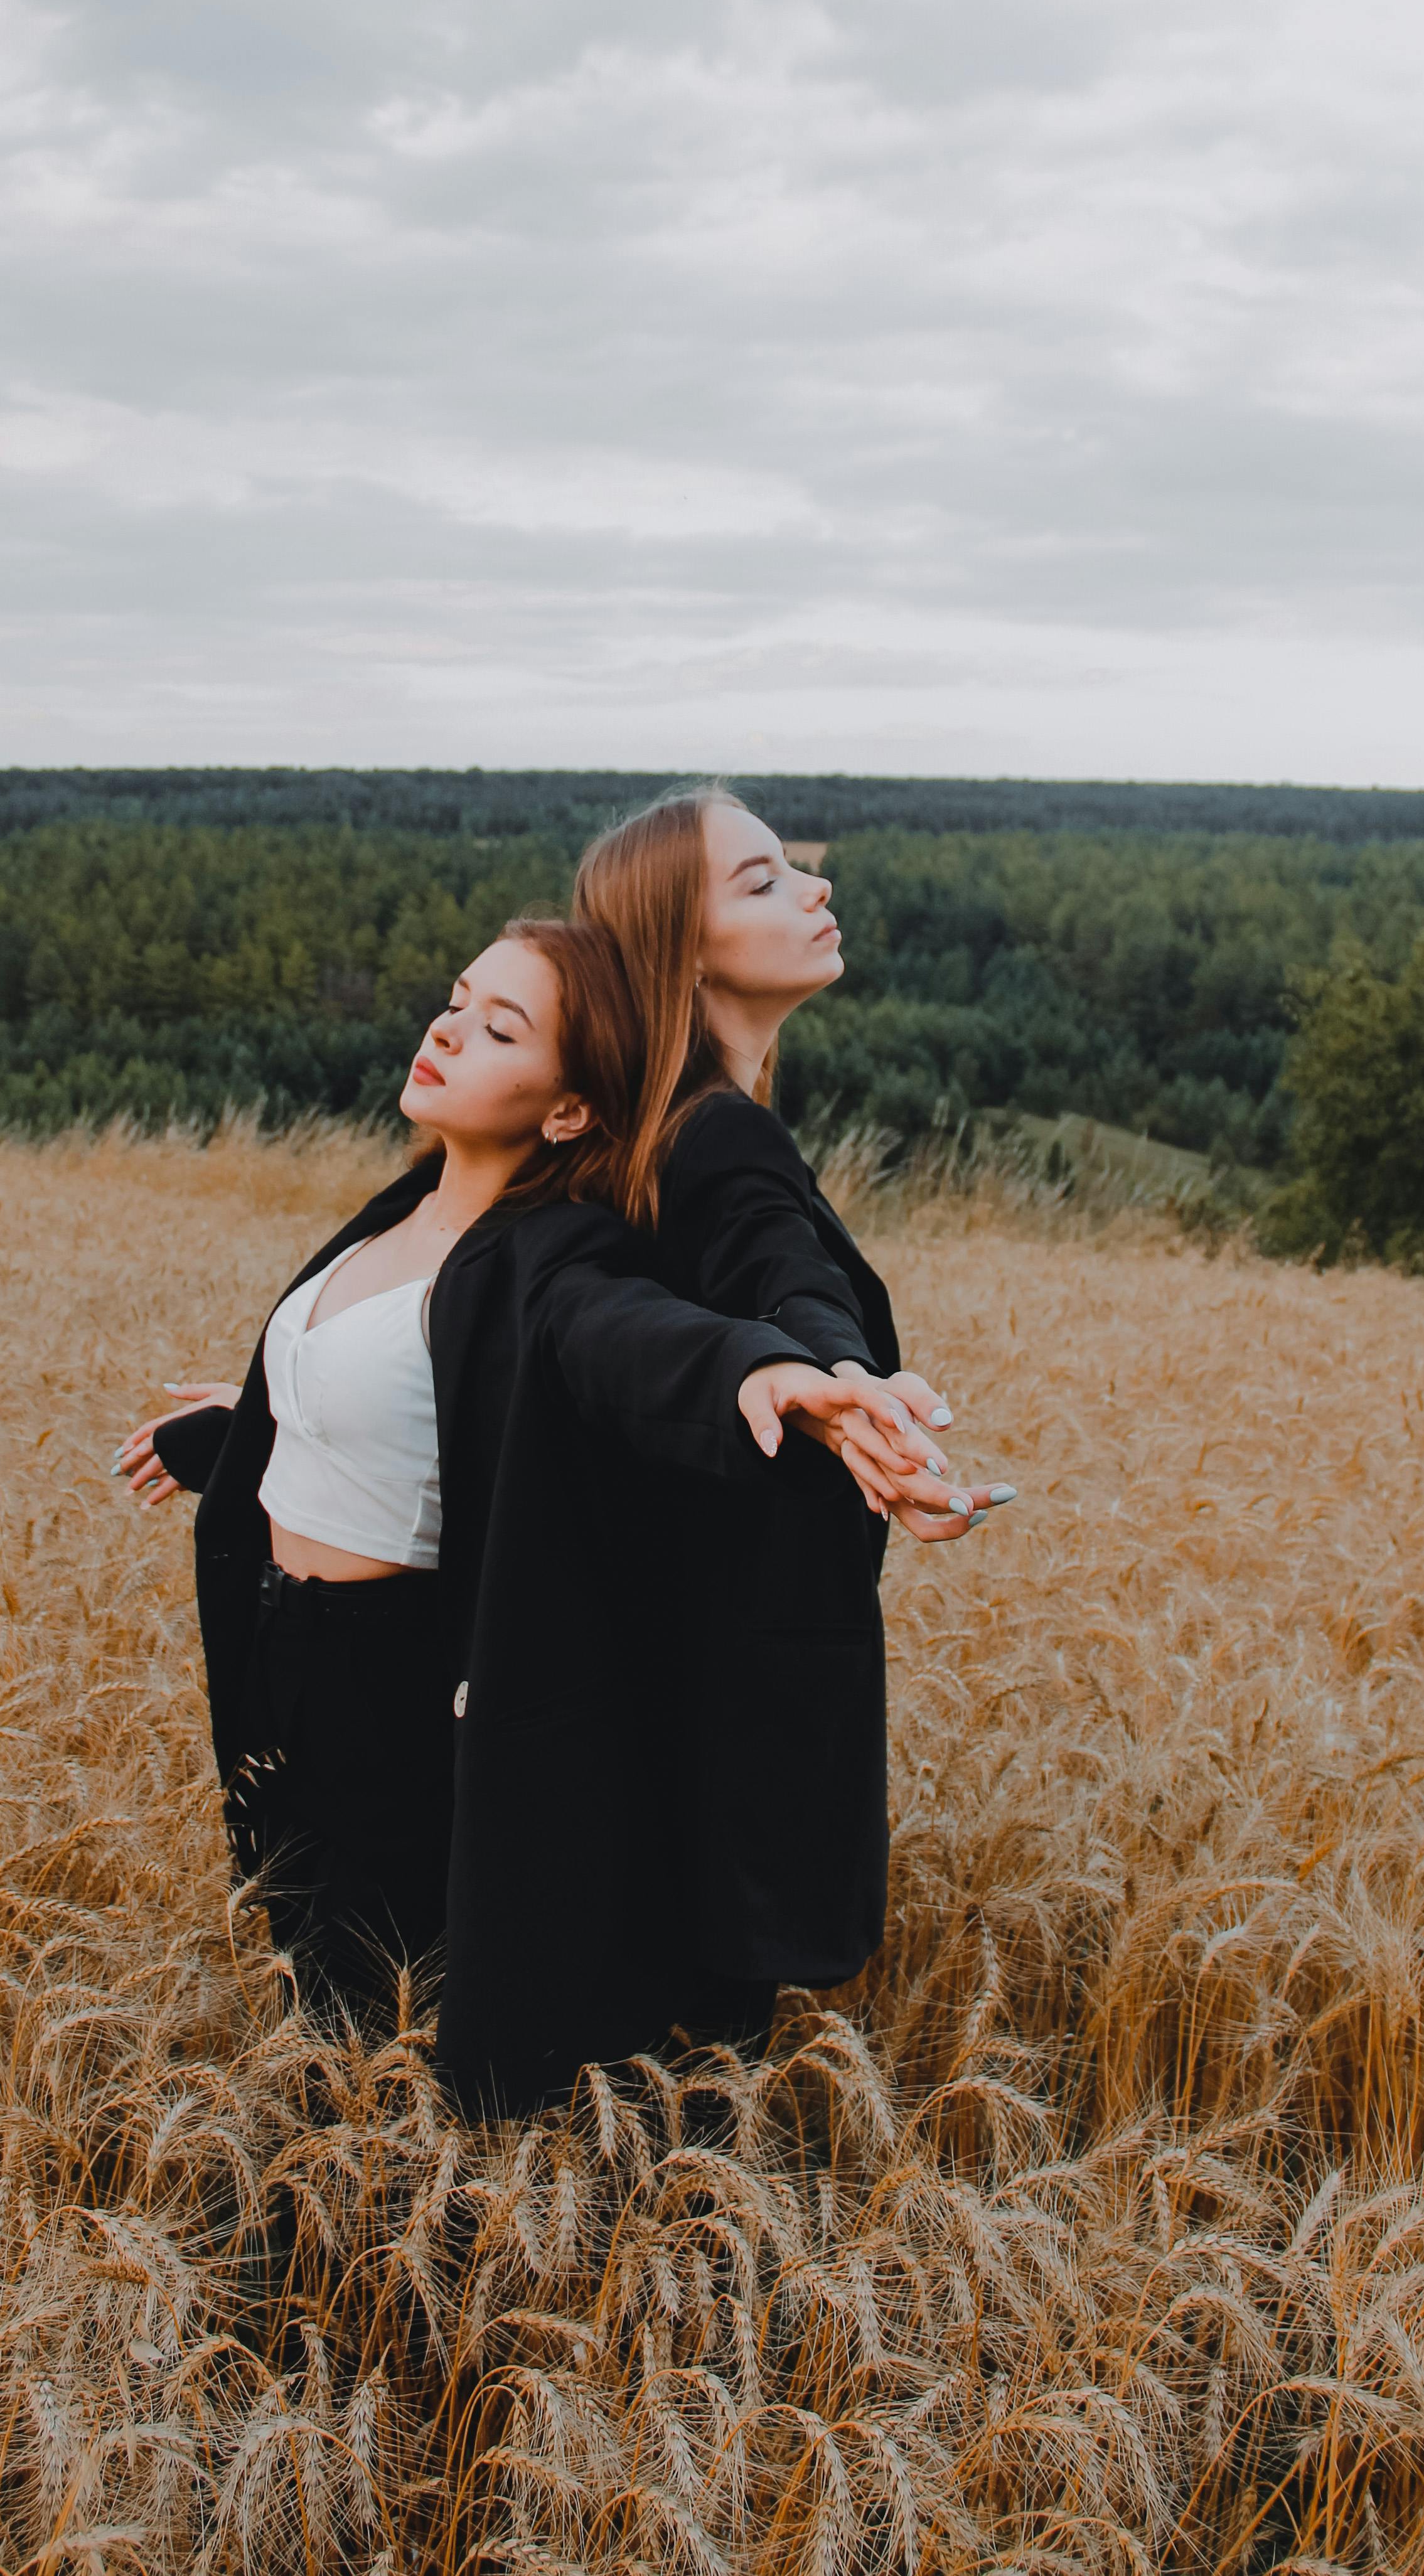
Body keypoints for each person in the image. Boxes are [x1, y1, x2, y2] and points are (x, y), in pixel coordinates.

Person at [116, 916, 939, 2056]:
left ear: (567, 1110)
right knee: (305, 1988)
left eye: (499, 1027)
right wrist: (235, 1430)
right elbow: (398, 1397)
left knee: (385, 2027)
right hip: (276, 1663)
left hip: (395, 1690)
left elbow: (625, 1338)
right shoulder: (399, 1213)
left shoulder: (552, 1252)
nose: (447, 1031)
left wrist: (769, 1372)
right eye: (457, 999)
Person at [540, 786, 990, 2079]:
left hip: (630, 1706)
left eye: (792, 866)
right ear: (677, 953)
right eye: (759, 881)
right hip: (705, 1721)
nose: (812, 889)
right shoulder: (717, 1134)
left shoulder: (649, 1127)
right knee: (688, 2087)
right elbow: (784, 1270)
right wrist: (836, 1376)